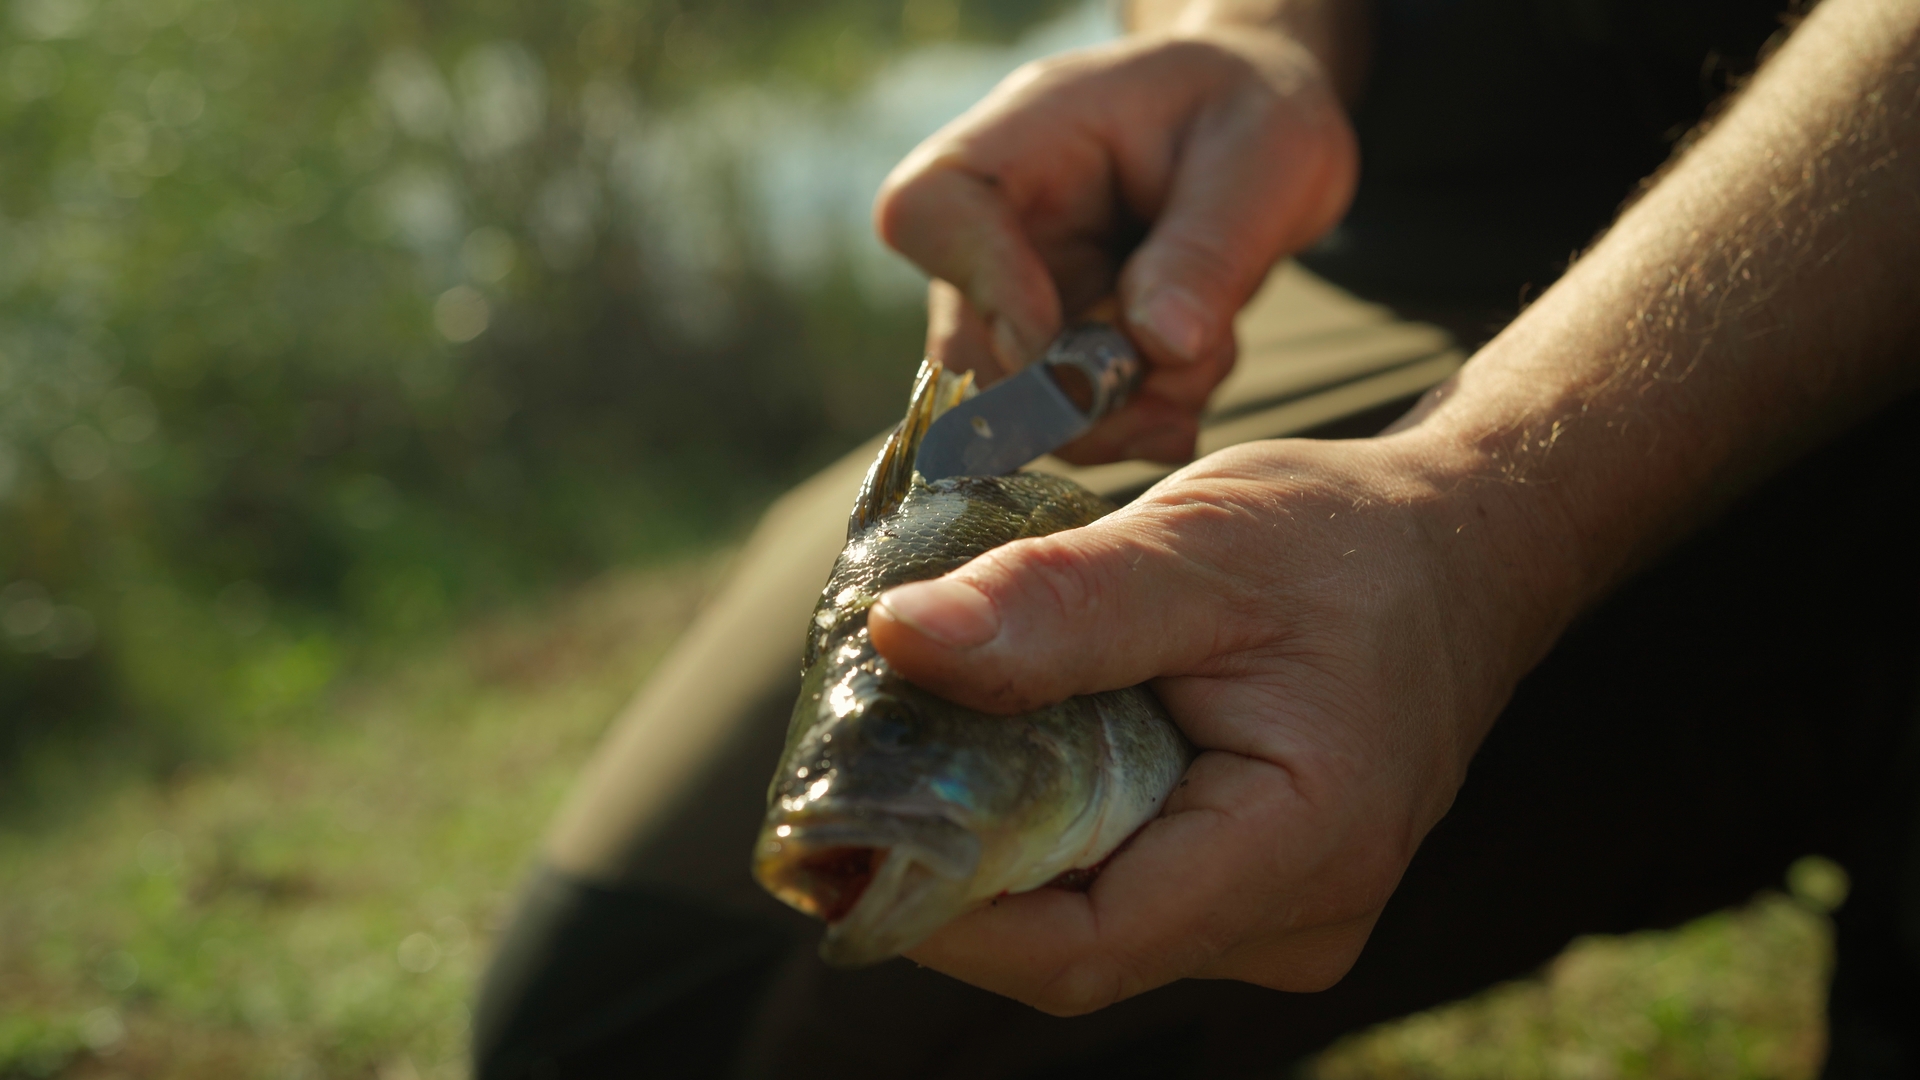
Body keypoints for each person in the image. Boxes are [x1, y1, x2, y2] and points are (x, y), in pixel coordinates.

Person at [474, 0, 1920, 1076]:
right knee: (635, 1022)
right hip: (1401, 232)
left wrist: (1485, 509)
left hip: (1843, 205)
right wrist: (1252, 48)